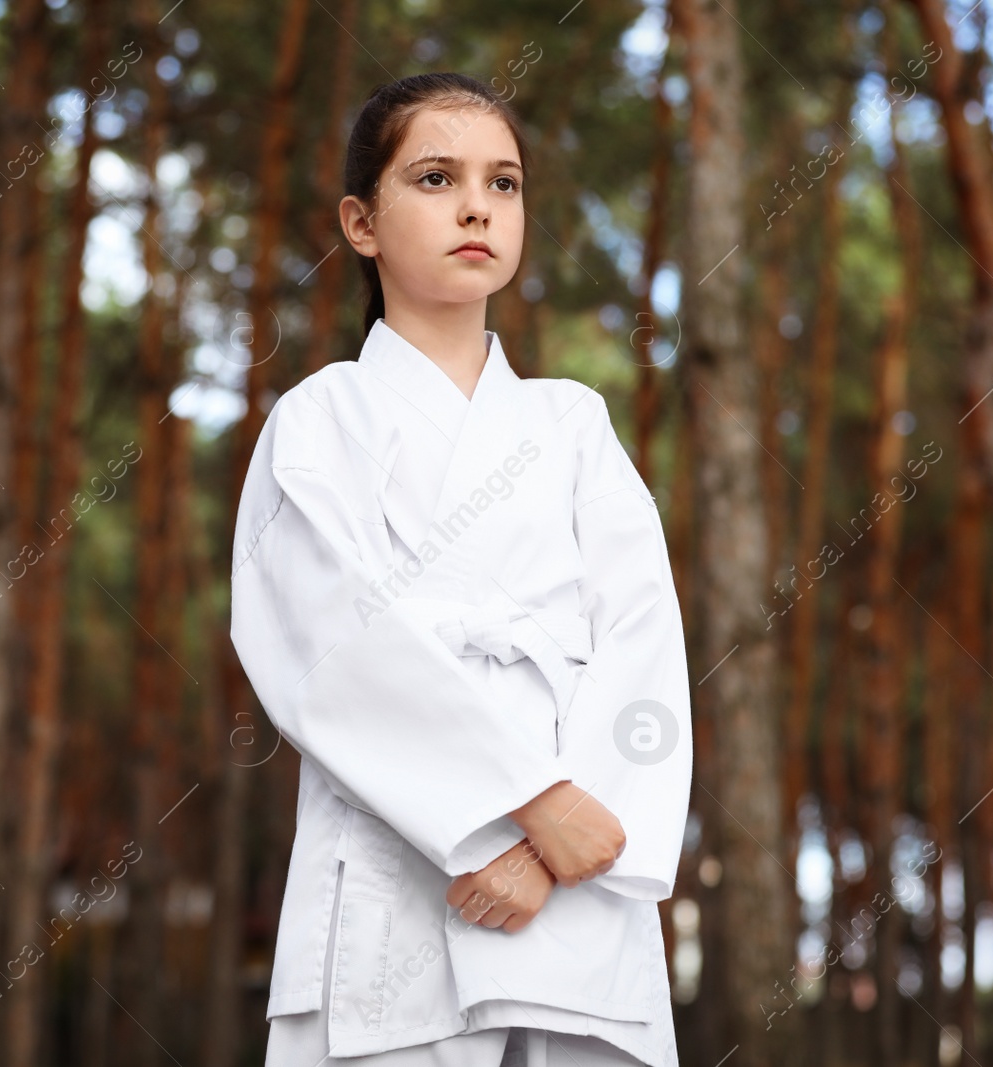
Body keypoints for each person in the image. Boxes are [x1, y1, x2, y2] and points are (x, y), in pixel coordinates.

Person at [230, 72, 692, 1067]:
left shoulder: (572, 423)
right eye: (435, 177)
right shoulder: (319, 420)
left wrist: (558, 841)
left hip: (579, 887)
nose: (478, 205)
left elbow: (642, 644)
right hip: (399, 876)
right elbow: (325, 643)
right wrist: (519, 811)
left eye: (505, 183)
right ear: (360, 221)